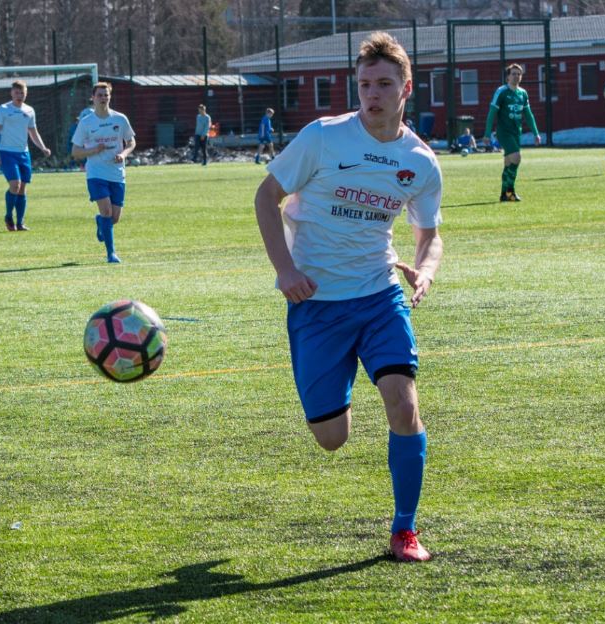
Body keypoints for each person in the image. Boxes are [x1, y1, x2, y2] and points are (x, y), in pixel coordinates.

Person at [253, 32, 443, 563]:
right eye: (364, 85)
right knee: (331, 437)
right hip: (315, 304)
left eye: (384, 84)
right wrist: (285, 270)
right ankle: (339, 384)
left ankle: (404, 531)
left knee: (404, 404)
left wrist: (426, 269)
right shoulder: (323, 137)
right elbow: (266, 197)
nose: (373, 94)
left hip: (380, 296)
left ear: (406, 88)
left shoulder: (420, 161)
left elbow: (429, 233)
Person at [71, 82, 135, 264]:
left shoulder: (120, 119)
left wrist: (123, 155)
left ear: (110, 97)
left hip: (117, 173)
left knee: (114, 218)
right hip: (96, 173)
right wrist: (93, 150)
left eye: (106, 95)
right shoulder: (86, 123)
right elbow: (75, 152)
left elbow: (131, 142)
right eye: (99, 95)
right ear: (93, 98)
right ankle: (111, 253)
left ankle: (100, 222)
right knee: (107, 211)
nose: (103, 98)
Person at [0, 79, 53, 231]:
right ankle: (8, 216)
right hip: (7, 153)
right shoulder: (3, 109)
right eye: (17, 92)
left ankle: (20, 222)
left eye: (22, 93)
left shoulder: (29, 110)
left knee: (22, 188)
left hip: (24, 154)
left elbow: (33, 132)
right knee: (15, 184)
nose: (19, 95)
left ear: (26, 94)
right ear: (11, 93)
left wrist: (43, 147)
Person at [484, 63, 540, 202]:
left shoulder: (523, 93)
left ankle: (504, 194)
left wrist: (536, 133)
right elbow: (492, 113)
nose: (516, 76)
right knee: (516, 157)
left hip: (516, 132)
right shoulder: (501, 91)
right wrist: (487, 133)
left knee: (509, 163)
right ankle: (510, 192)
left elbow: (528, 115)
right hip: (504, 132)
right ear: (507, 77)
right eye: (513, 74)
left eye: (519, 74)